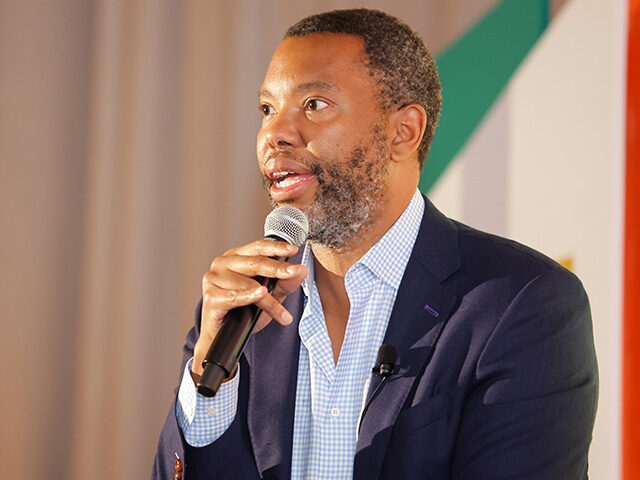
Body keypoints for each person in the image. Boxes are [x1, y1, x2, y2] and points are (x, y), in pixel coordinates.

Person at [153, 9, 598, 480]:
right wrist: (210, 373)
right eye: (267, 109)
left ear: (402, 132)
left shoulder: (523, 304)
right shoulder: (237, 312)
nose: (273, 134)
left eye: (314, 104)